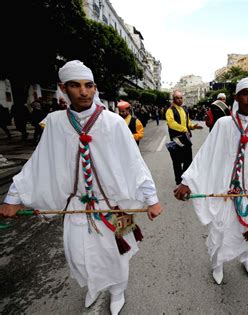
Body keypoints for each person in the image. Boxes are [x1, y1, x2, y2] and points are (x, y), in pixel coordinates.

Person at [0, 60, 163, 315]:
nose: (83, 92)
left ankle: (117, 291)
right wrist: (14, 197)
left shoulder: (114, 122)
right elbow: (39, 162)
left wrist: (150, 198)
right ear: (63, 88)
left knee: (115, 255)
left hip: (110, 204)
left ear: (95, 88)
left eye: (88, 85)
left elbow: (134, 163)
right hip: (77, 206)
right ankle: (93, 286)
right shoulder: (54, 123)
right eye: (75, 86)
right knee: (79, 255)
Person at [173, 77, 248, 285]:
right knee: (221, 229)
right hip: (224, 191)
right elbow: (206, 154)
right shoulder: (223, 124)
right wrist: (187, 181)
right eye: (246, 94)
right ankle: (217, 263)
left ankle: (245, 256)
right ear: (237, 97)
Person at [166, 90, 203, 185]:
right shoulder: (170, 110)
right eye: (177, 98)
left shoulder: (184, 109)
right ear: (173, 99)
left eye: (181, 97)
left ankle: (184, 178)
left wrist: (193, 126)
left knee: (188, 160)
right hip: (176, 139)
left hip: (186, 139)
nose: (179, 99)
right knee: (177, 162)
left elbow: (188, 122)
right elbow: (171, 123)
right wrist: (183, 128)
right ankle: (179, 181)